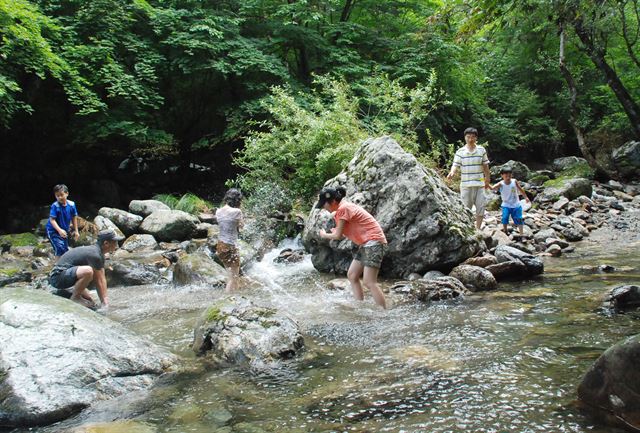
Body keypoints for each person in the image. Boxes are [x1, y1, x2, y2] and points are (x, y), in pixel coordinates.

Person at [317, 186, 388, 309]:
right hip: (366, 244)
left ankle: (383, 312)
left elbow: (338, 236)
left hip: (374, 242)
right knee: (352, 275)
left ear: (333, 202)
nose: (324, 207)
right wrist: (336, 230)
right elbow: (344, 232)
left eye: (324, 204)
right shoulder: (342, 209)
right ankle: (359, 305)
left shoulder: (344, 209)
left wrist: (324, 235)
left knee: (369, 282)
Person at [48, 229, 122, 309]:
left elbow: (102, 278)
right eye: (115, 242)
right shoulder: (95, 255)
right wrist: (105, 303)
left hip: (65, 276)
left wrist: (104, 302)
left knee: (90, 300)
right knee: (88, 271)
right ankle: (75, 297)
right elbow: (99, 281)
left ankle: (77, 295)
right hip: (57, 277)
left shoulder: (98, 253)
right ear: (106, 243)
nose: (117, 245)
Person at [446, 127, 491, 229]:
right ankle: (469, 228)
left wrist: (487, 179)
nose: (470, 139)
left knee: (481, 208)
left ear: (476, 138)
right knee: (466, 209)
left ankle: (478, 229)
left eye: (473, 137)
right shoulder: (460, 151)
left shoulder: (481, 150)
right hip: (466, 185)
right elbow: (455, 165)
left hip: (479, 184)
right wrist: (452, 172)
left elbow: (485, 166)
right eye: (468, 137)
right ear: (465, 137)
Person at [215, 188, 244, 292]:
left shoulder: (218, 211)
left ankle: (232, 298)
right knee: (234, 277)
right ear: (237, 200)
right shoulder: (237, 211)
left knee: (231, 276)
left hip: (220, 246)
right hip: (230, 246)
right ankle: (228, 300)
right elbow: (241, 227)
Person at [491, 167, 530, 235]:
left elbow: (520, 189)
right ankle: (505, 231)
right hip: (506, 204)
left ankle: (521, 234)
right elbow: (492, 187)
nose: (508, 177)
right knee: (505, 217)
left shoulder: (514, 181)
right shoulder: (501, 184)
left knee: (519, 219)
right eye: (506, 176)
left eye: (509, 175)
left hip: (516, 204)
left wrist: (526, 197)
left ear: (511, 175)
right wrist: (486, 183)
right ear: (502, 175)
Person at [45, 184, 79, 261]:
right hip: (53, 230)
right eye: (57, 196)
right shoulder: (55, 206)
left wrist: (76, 231)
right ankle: (57, 268)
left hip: (64, 230)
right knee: (59, 248)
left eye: (61, 195)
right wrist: (59, 230)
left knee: (65, 249)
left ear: (67, 194)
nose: (60, 197)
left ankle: (63, 266)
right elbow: (52, 220)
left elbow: (74, 217)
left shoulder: (71, 204)